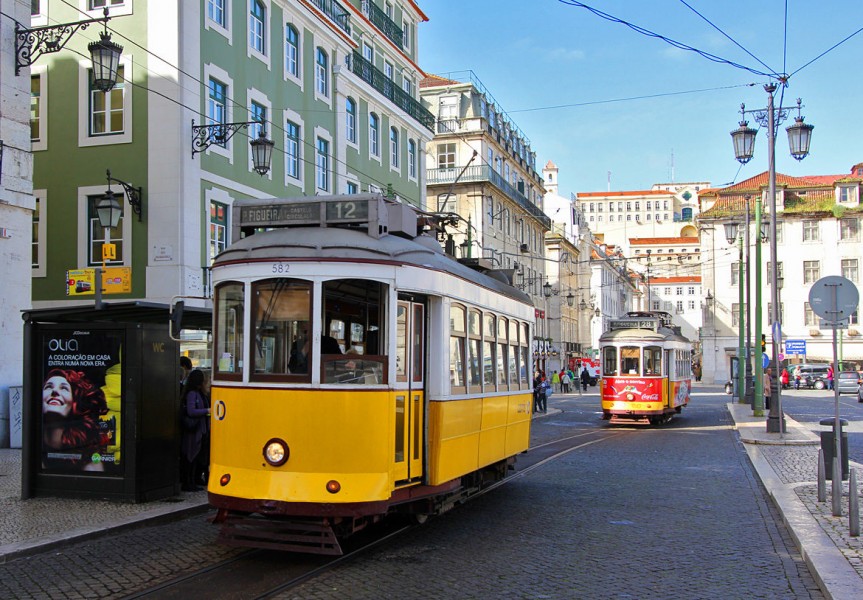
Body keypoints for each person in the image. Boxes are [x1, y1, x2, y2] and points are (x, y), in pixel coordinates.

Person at [41, 368, 108, 471]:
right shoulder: (33, 449)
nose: (54, 391)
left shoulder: (90, 464)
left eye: (64, 388)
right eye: (49, 387)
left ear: (75, 402)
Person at [180, 369, 210, 492]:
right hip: (194, 430)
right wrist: (207, 411)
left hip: (200, 429)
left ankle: (193, 480)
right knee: (191, 455)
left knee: (196, 456)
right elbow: (191, 411)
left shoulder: (199, 393)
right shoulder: (193, 394)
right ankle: (188, 482)